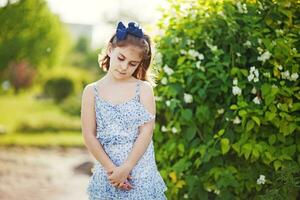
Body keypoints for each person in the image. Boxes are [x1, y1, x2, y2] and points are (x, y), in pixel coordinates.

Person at [81, 21, 167, 199]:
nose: (124, 67)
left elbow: (146, 132)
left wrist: (127, 167)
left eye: (132, 64)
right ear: (111, 50)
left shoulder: (143, 89)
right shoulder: (92, 91)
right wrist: (113, 171)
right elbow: (89, 134)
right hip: (108, 172)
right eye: (121, 58)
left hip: (139, 170)